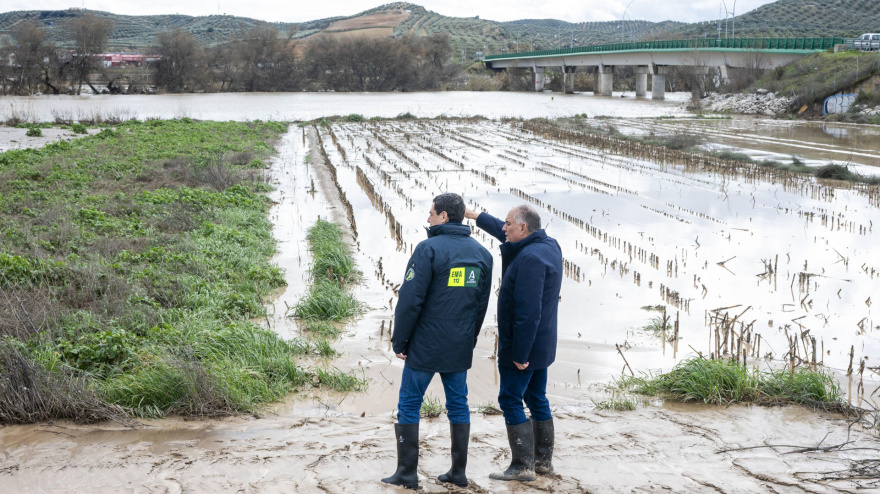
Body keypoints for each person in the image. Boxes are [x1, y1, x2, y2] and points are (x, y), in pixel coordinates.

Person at [382, 193, 493, 489]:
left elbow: (410, 300)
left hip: (426, 345)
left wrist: (400, 341)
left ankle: (407, 473)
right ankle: (458, 473)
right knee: (458, 405)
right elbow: (480, 306)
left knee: (409, 404)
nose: (428, 218)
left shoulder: (427, 249)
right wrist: (468, 340)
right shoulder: (483, 255)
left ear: (444, 216)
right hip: (458, 345)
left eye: (431, 213)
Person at [464, 204, 562, 482]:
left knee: (510, 398)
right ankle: (542, 462)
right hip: (541, 344)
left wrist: (519, 353)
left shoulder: (529, 258)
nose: (503, 228)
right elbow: (505, 232)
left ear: (523, 228)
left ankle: (522, 466)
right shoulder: (547, 244)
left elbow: (527, 311)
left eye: (508, 224)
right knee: (536, 397)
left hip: (524, 345)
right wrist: (476, 217)